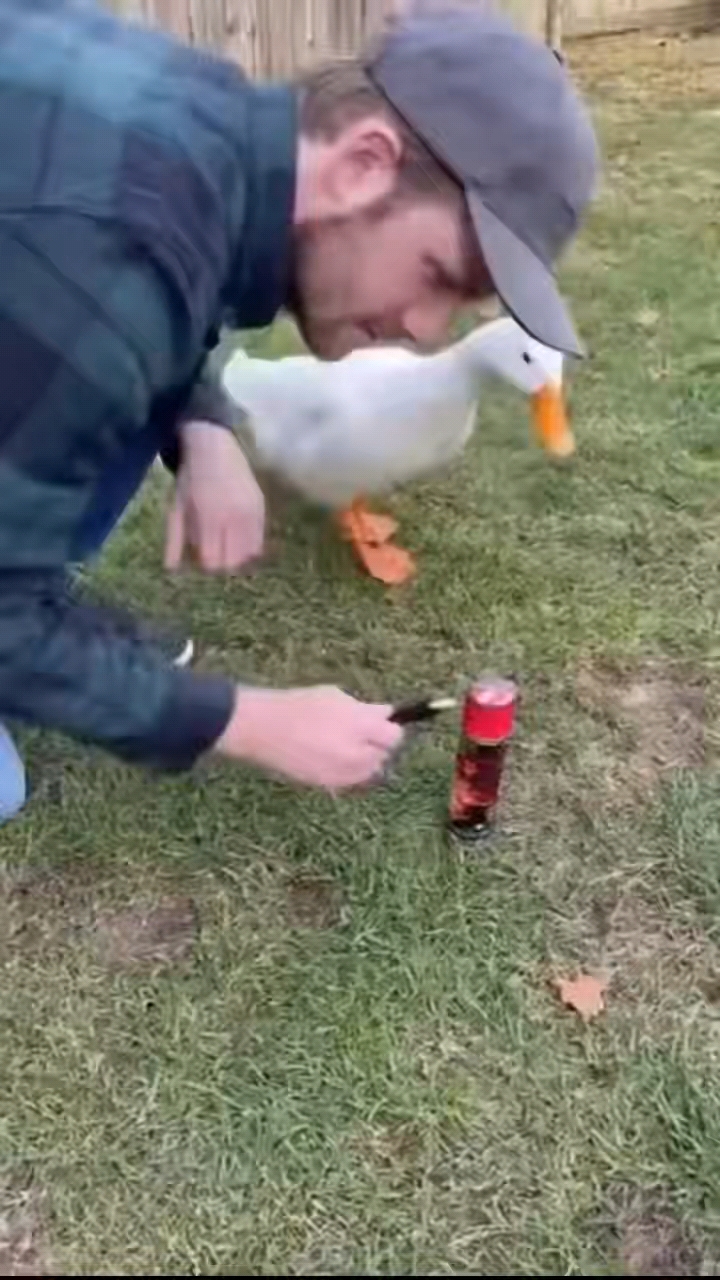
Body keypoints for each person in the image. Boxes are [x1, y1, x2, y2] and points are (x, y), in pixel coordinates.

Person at [0, 0, 598, 821]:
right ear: (362, 164)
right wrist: (244, 720)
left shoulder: (205, 129)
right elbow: (116, 281)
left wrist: (204, 425)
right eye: (435, 275)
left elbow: (155, 278)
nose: (425, 329)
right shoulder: (112, 266)